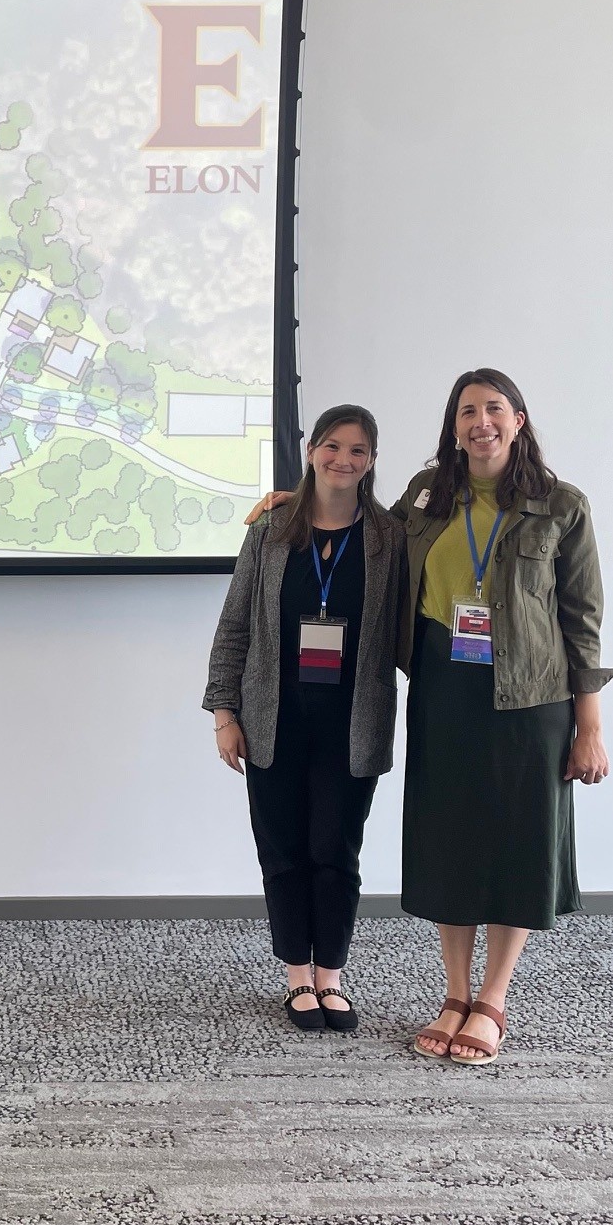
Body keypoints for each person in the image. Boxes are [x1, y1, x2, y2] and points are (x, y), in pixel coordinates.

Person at [395, 369, 612, 1064]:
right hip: (444, 686)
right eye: (467, 411)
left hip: (534, 696)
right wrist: (296, 504)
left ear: (519, 420)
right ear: (453, 426)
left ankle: (492, 999)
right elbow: (366, 532)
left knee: (519, 841)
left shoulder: (562, 505)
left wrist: (591, 726)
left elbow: (583, 622)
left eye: (494, 409)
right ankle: (453, 993)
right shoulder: (426, 497)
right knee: (450, 836)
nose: (480, 422)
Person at [203, 406, 409, 1034]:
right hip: (274, 719)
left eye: (358, 451)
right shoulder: (270, 528)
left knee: (337, 849)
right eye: (332, 446)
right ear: (313, 449)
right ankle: (298, 974)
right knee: (284, 849)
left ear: (372, 461)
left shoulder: (389, 535)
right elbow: (235, 622)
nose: (343, 460)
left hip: (352, 722)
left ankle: (332, 977)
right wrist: (223, 712)